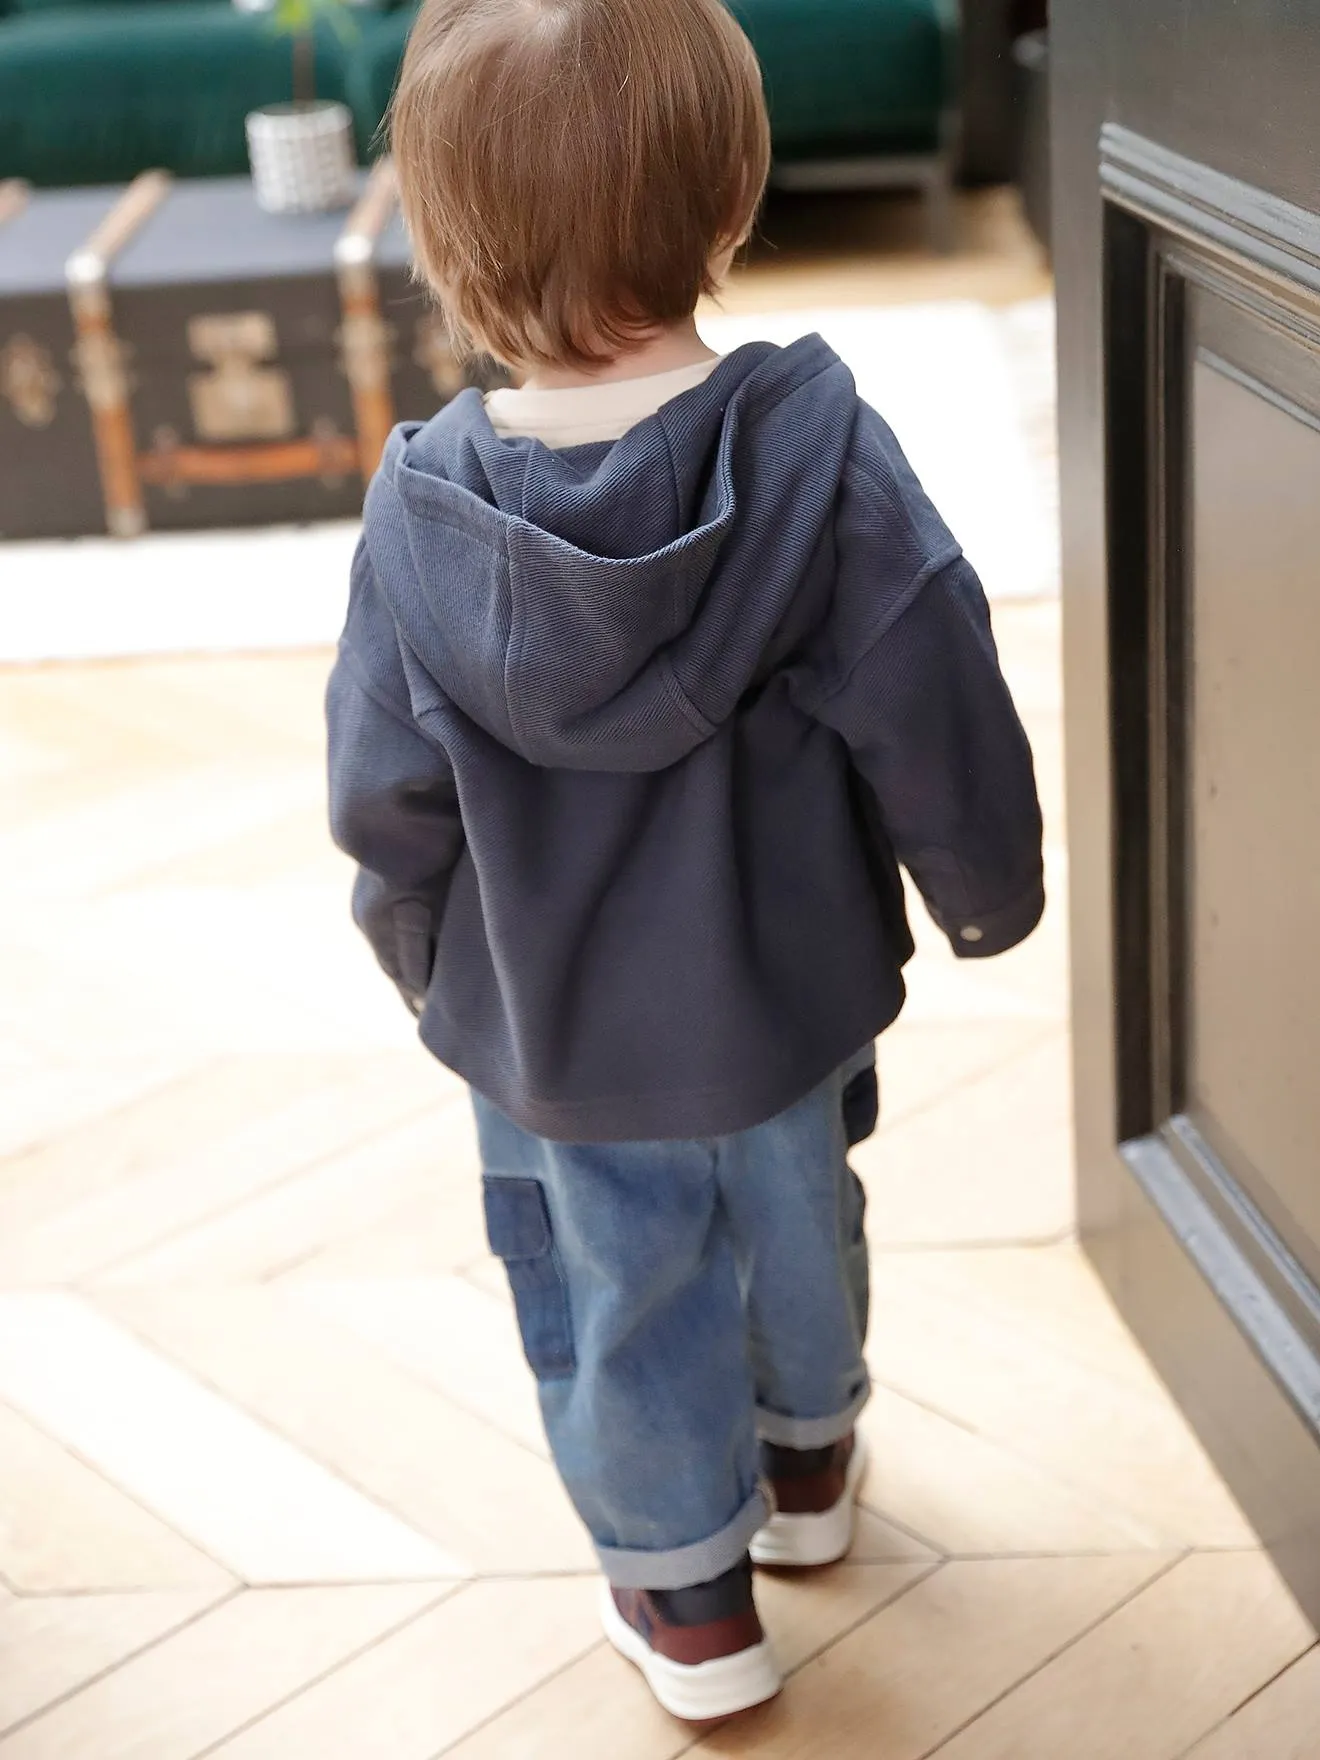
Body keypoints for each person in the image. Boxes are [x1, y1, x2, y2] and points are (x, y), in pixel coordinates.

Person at [326, 0, 1044, 1722]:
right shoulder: (819, 460)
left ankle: (689, 1607)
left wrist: (416, 944)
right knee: (798, 1219)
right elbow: (933, 682)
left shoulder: (425, 515)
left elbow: (383, 787)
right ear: (732, 195)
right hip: (784, 993)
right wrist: (984, 889)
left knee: (615, 1280)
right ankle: (809, 1474)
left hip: (555, 1030)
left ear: (442, 234)